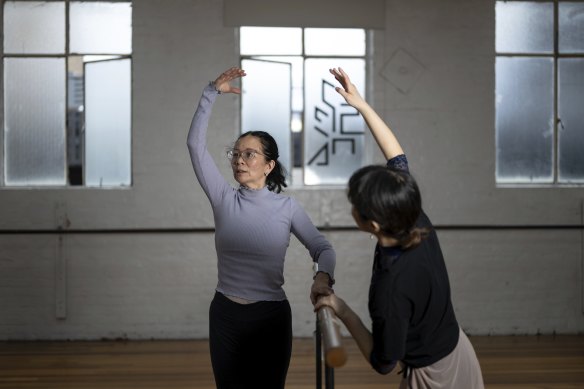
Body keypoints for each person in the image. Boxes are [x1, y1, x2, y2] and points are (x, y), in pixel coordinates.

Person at [314, 67, 484, 389]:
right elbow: (397, 157)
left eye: (354, 204)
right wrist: (361, 106)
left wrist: (341, 308)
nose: (351, 206)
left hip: (434, 377)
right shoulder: (414, 218)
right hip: (460, 351)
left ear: (373, 223)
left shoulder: (392, 287)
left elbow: (382, 362)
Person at [187, 67, 336, 389]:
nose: (239, 160)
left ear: (269, 166)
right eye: (236, 154)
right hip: (225, 314)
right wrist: (211, 92)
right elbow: (195, 147)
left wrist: (323, 275)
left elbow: (323, 248)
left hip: (271, 317)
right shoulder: (223, 198)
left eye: (249, 155)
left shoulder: (288, 207)